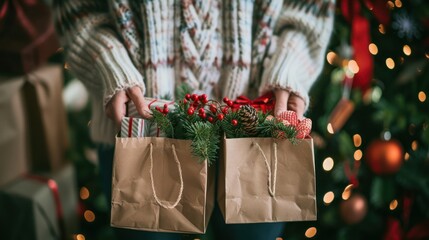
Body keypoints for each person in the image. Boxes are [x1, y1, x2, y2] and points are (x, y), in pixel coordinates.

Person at [53, 0, 335, 239]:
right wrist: (109, 65)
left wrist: (289, 69)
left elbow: (310, 9)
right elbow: (77, 10)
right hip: (142, 127)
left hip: (256, 127)